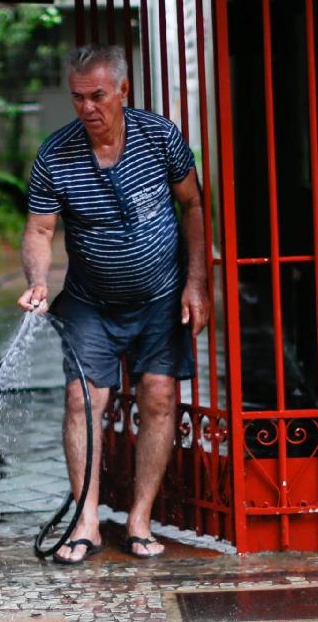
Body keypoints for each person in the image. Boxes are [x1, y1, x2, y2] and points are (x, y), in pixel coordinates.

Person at [16, 45, 210, 563]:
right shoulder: (56, 154)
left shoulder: (160, 136)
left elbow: (192, 204)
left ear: (122, 91)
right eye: (77, 97)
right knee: (82, 400)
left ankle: (141, 520)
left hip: (160, 297)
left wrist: (197, 284)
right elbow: (38, 228)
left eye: (97, 95)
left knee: (159, 397)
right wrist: (37, 281)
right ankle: (86, 522)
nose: (86, 108)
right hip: (89, 301)